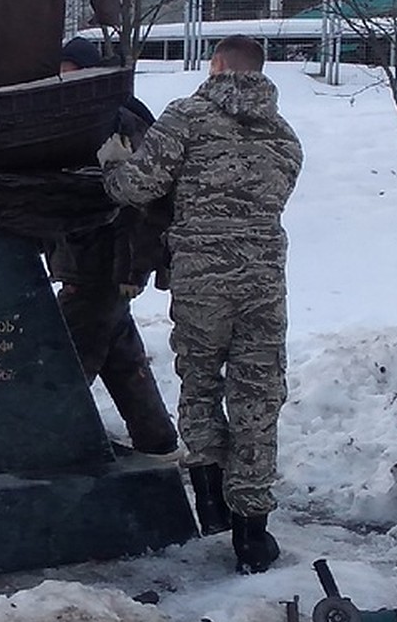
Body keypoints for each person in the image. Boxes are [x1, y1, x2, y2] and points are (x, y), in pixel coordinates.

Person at [97, 35, 302, 574]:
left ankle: (211, 501)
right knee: (257, 400)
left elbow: (139, 186)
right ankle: (252, 535)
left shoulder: (187, 116)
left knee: (202, 383)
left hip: (202, 279)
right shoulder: (284, 137)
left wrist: (113, 168)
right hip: (263, 283)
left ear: (215, 66)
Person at [45, 36, 178, 456]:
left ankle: (51, 444)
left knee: (68, 361)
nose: (64, 82)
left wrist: (132, 271)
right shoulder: (74, 119)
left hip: (103, 265)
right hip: (85, 261)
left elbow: (147, 203)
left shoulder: (117, 122)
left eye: (72, 73)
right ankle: (158, 441)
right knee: (121, 356)